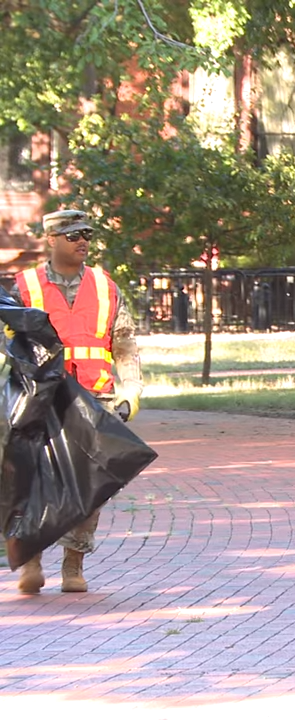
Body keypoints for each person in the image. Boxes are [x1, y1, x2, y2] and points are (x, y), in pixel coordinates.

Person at [12, 209, 143, 594]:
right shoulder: (24, 286)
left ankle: (74, 564)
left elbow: (124, 343)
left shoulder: (105, 286)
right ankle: (32, 562)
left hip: (94, 397)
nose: (82, 241)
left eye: (86, 234)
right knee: (34, 480)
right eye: (72, 235)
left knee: (90, 485)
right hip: (40, 397)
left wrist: (131, 388)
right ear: (51, 239)